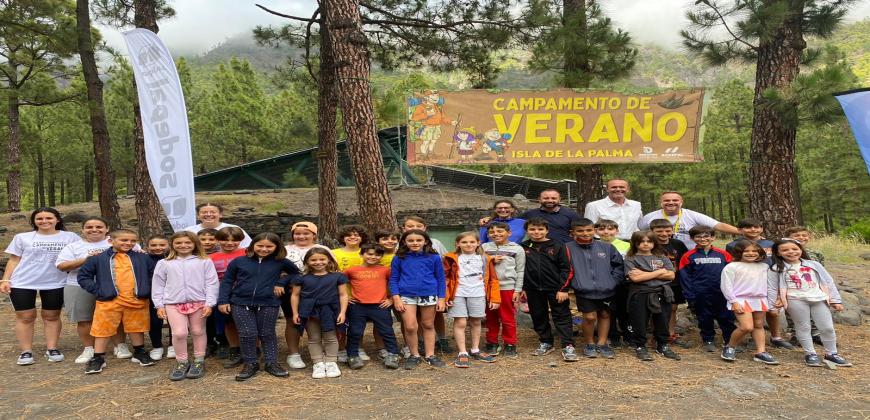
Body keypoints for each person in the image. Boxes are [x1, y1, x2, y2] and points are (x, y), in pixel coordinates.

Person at [2, 208, 80, 365]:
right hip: (22, 282)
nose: (44, 221)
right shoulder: (22, 237)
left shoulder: (70, 237)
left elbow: (80, 253)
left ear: (57, 219)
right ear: (34, 221)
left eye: (49, 218)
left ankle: (52, 348)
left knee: (51, 316)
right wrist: (5, 280)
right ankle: (26, 352)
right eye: (40, 218)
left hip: (56, 282)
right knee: (25, 317)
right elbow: (14, 260)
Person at [218, 232, 300, 381]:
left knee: (267, 333)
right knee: (247, 334)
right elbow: (227, 281)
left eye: (269, 246)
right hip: (240, 303)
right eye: (260, 245)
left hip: (268, 302)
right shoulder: (239, 261)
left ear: (276, 247)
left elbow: (297, 274)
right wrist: (223, 300)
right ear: (252, 245)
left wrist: (281, 282)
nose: (264, 249)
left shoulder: (281, 262)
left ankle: (271, 363)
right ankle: (251, 363)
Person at [77, 229, 158, 374]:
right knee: (102, 328)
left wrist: (147, 288)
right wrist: (99, 290)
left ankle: (139, 352)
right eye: (124, 240)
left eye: (133, 241)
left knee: (136, 327)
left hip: (136, 299)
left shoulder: (143, 258)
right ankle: (98, 357)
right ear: (111, 241)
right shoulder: (98, 258)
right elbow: (84, 276)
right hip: (109, 300)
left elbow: (154, 275)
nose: (129, 243)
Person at [768, 239, 851, 367]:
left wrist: (835, 300)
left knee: (827, 327)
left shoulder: (814, 264)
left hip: (818, 298)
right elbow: (772, 288)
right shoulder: (776, 268)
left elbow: (828, 281)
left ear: (801, 250)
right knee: (803, 326)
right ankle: (810, 353)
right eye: (785, 250)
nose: (791, 252)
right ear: (778, 253)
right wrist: (772, 306)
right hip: (795, 300)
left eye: (795, 249)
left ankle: (831, 354)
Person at [56, 217, 126, 364]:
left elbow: (137, 255)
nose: (94, 229)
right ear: (83, 230)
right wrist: (85, 260)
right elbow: (62, 266)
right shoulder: (73, 246)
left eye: (99, 226)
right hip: (78, 285)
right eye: (89, 227)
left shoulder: (119, 241)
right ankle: (89, 348)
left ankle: (120, 346)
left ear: (107, 229)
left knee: (115, 317)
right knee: (84, 319)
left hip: (115, 285)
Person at [152, 232, 220, 381]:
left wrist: (209, 303)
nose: (183, 245)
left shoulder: (204, 261)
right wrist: (159, 305)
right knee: (179, 333)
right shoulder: (164, 263)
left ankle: (199, 361)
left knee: (198, 331)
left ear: (195, 244)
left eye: (188, 243)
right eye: (179, 243)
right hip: (173, 303)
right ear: (172, 245)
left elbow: (211, 283)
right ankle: (182, 361)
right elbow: (158, 285)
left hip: (199, 302)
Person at [725, 218, 792, 351]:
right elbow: (731, 261)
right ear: (740, 230)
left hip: (768, 280)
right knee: (750, 318)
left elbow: (776, 261)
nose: (753, 230)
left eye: (756, 227)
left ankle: (776, 337)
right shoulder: (732, 245)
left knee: (772, 313)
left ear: (761, 228)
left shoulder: (769, 243)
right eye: (748, 227)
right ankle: (746, 340)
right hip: (746, 283)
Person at [566, 218, 625, 359]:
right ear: (572, 232)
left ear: (594, 231)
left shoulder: (606, 247)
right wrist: (575, 283)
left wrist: (612, 281)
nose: (585, 233)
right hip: (584, 290)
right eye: (580, 231)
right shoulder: (567, 248)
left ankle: (602, 343)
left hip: (607, 289)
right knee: (590, 317)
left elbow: (618, 265)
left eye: (589, 230)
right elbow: (564, 268)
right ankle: (589, 343)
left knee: (605, 314)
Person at [519, 218, 576, 361]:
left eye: (540, 229)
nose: (536, 232)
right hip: (532, 289)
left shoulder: (558, 245)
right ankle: (546, 342)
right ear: (527, 231)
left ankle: (568, 345)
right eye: (532, 229)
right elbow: (519, 269)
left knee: (561, 315)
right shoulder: (523, 247)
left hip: (555, 289)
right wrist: (523, 288)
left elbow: (567, 268)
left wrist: (563, 289)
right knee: (538, 315)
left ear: (547, 230)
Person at [389, 229, 447, 369]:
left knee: (428, 324)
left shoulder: (434, 257)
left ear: (425, 241)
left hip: (429, 294)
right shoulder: (399, 258)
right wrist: (396, 297)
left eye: (418, 240)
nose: (415, 243)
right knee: (410, 326)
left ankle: (430, 355)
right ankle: (414, 355)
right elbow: (394, 278)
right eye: (411, 240)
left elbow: (440, 278)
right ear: (404, 242)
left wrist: (441, 298)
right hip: (406, 295)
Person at [443, 232, 500, 367]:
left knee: (475, 321)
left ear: (478, 243)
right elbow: (445, 278)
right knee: (461, 322)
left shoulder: (485, 258)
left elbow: (493, 279)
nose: (468, 244)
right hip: (458, 294)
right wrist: (445, 296)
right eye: (464, 242)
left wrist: (495, 298)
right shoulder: (451, 258)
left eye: (471, 242)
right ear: (458, 244)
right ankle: (462, 352)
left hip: (478, 293)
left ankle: (475, 349)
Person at [291, 248, 349, 379]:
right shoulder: (301, 278)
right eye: (313, 260)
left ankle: (331, 362)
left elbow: (343, 295)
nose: (318, 262)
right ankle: (317, 363)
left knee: (331, 336)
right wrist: (295, 313)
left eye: (322, 259)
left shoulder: (338, 276)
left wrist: (343, 312)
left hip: (330, 310)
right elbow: (295, 295)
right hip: (309, 310)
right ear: (307, 261)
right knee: (314, 337)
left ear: (329, 260)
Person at [623, 230, 681, 362]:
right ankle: (640, 346)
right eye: (641, 241)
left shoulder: (662, 257)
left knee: (662, 320)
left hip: (662, 292)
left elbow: (671, 275)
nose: (645, 244)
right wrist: (660, 272)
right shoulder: (631, 259)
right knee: (640, 320)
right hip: (640, 293)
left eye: (649, 241)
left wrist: (644, 274)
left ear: (654, 243)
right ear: (635, 243)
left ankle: (662, 345)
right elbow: (635, 279)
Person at [719, 240, 778, 365]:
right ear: (739, 252)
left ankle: (760, 352)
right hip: (740, 300)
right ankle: (730, 346)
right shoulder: (732, 266)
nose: (751, 253)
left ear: (760, 253)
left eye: (754, 251)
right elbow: (726, 286)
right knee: (746, 327)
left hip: (760, 299)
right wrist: (733, 301)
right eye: (746, 251)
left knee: (758, 325)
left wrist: (773, 300)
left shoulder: (764, 267)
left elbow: (770, 284)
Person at [677, 226, 735, 352]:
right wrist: (690, 295)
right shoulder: (688, 256)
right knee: (704, 317)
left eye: (706, 236)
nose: (702, 239)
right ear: (692, 238)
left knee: (726, 317)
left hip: (722, 293)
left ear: (713, 237)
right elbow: (684, 277)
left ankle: (730, 340)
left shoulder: (724, 255)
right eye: (698, 236)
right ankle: (708, 339)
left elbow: (732, 273)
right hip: (700, 293)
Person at [343, 244, 401, 370]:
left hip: (380, 305)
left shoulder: (385, 270)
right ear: (361, 254)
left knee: (387, 331)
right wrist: (346, 297)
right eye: (369, 254)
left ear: (381, 257)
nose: (373, 257)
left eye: (377, 255)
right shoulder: (352, 270)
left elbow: (395, 283)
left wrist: (391, 299)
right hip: (358, 306)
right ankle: (352, 355)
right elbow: (338, 283)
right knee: (355, 332)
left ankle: (393, 354)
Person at [283, 221, 331, 369]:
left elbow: (332, 268)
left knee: (319, 321)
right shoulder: (284, 250)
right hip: (291, 292)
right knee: (293, 321)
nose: (301, 236)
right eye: (297, 233)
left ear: (314, 235)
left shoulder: (322, 249)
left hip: (318, 292)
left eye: (306, 233)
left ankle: (321, 352)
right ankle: (294, 353)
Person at [401, 216, 450, 353]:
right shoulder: (401, 249)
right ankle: (417, 346)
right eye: (410, 226)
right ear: (403, 229)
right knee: (411, 322)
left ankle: (440, 340)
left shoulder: (435, 245)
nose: (415, 229)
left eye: (418, 226)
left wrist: (442, 295)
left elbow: (443, 265)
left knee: (432, 319)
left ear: (425, 228)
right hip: (408, 291)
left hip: (429, 289)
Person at [481, 222, 525, 358]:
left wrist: (517, 290)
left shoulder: (517, 249)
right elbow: (478, 264)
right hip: (488, 288)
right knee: (491, 317)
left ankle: (510, 343)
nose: (496, 234)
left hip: (507, 287)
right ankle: (492, 342)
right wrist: (489, 260)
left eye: (500, 231)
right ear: (488, 234)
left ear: (509, 233)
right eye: (492, 232)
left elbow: (520, 270)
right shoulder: (484, 247)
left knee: (507, 317)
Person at [638, 192, 739, 248]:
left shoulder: (691, 215)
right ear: (661, 203)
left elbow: (717, 225)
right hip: (660, 253)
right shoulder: (650, 217)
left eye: (675, 200)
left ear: (681, 202)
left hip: (689, 253)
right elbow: (640, 232)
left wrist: (742, 232)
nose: (671, 202)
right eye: (667, 200)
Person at [480, 189, 581, 244]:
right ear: (539, 199)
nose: (550, 200)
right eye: (546, 198)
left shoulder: (571, 214)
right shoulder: (529, 214)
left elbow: (580, 231)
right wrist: (490, 218)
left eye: (553, 198)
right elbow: (508, 219)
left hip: (563, 250)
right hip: (536, 250)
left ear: (559, 200)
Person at [648, 219, 690, 348]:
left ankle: (670, 333)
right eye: (659, 231)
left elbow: (684, 261)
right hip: (655, 282)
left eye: (667, 230)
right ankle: (656, 334)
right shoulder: (649, 244)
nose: (664, 233)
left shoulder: (677, 244)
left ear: (672, 231)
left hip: (675, 282)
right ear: (652, 232)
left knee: (672, 308)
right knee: (656, 308)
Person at [209, 226, 247, 369]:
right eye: (225, 240)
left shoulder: (247, 253)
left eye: (235, 240)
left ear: (241, 240)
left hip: (245, 293)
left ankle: (254, 349)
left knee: (249, 323)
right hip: (223, 293)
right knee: (229, 323)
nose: (230, 243)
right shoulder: (211, 257)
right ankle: (234, 349)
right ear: (218, 240)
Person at [595, 218, 630, 347]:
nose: (606, 232)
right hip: (603, 285)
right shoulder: (593, 245)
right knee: (608, 311)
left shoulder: (627, 245)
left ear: (617, 231)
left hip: (624, 284)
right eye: (602, 229)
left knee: (625, 310)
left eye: (610, 229)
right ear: (596, 231)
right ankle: (612, 335)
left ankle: (628, 334)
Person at [145, 235, 172, 360]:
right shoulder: (143, 259)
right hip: (152, 296)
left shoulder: (173, 258)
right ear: (147, 247)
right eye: (154, 245)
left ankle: (173, 345)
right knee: (154, 321)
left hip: (173, 295)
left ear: (168, 245)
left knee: (174, 321)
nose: (158, 248)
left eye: (162, 245)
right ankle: (157, 346)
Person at [183, 203, 252, 248]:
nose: (209, 214)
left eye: (213, 212)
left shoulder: (234, 228)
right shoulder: (189, 231)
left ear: (220, 214)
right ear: (198, 215)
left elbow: (247, 246)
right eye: (204, 212)